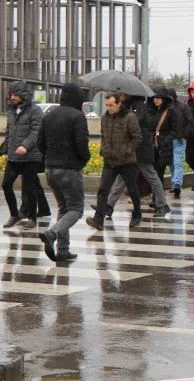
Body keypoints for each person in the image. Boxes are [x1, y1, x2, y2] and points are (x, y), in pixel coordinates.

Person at [36, 83, 90, 262]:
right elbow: (82, 144)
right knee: (76, 209)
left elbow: (40, 142)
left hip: (50, 168)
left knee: (63, 209)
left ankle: (63, 250)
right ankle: (52, 234)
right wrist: (83, 159)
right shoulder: (78, 116)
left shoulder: (49, 115)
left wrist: (48, 158)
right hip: (70, 168)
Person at [86, 93, 149, 230]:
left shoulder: (129, 117)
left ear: (119, 104)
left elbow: (137, 137)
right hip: (110, 161)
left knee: (132, 189)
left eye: (111, 105)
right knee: (103, 190)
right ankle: (98, 219)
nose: (108, 108)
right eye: (107, 105)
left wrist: (128, 149)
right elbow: (103, 136)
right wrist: (104, 150)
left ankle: (137, 214)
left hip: (127, 161)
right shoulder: (105, 118)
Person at [1, 81, 44, 229]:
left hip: (30, 157)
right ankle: (14, 215)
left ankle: (32, 218)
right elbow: (9, 132)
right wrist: (6, 151)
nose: (12, 97)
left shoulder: (35, 111)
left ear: (23, 95)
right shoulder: (11, 110)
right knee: (6, 185)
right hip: (14, 155)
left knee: (29, 188)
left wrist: (25, 146)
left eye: (15, 95)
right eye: (11, 94)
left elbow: (36, 132)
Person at [167, 88, 190, 198]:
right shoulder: (166, 107)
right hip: (169, 139)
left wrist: (185, 135)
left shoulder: (183, 106)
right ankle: (174, 183)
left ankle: (177, 184)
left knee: (178, 162)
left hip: (180, 139)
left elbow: (189, 121)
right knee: (171, 163)